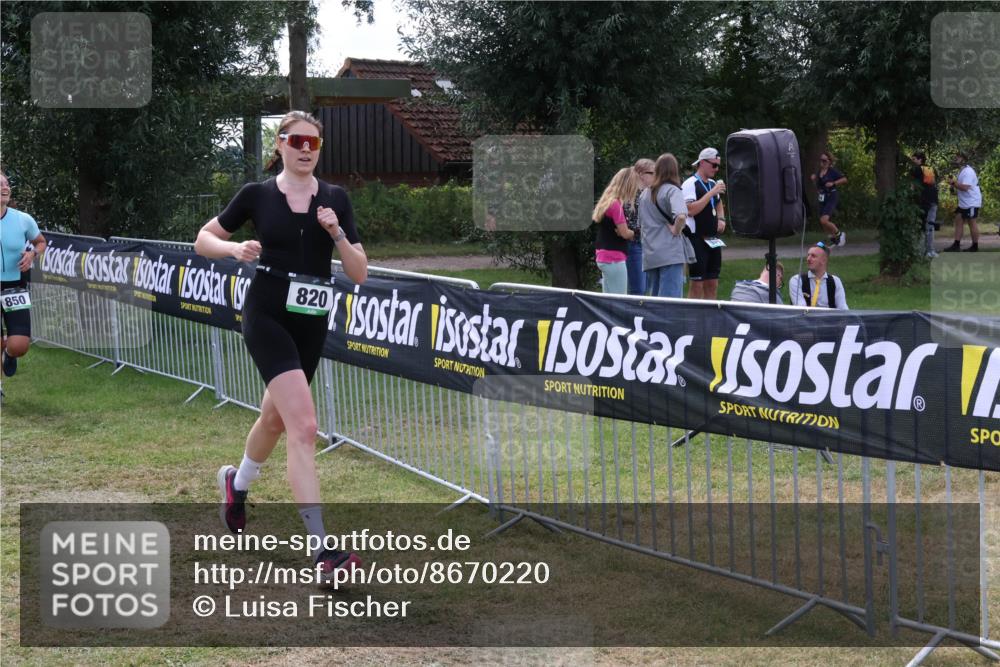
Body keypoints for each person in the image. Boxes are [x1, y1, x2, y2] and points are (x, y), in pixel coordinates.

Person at [194, 111, 368, 578]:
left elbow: (358, 271)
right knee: (305, 426)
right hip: (267, 314)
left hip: (310, 321)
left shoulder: (335, 199)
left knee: (274, 419)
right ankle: (323, 551)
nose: (306, 149)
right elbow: (203, 239)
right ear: (281, 144)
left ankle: (237, 483)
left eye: (314, 142)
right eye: (297, 141)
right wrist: (233, 249)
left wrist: (335, 233)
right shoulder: (257, 195)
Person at [1, 171, 47, 379]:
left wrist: (32, 254)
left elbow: (41, 242)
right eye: (0, 185)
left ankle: (8, 353)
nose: (5, 187)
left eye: (6, 184)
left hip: (15, 286)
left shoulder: (22, 219)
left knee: (19, 345)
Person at [638, 153, 689, 299]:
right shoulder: (672, 190)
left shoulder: (645, 194)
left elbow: (641, 223)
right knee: (670, 302)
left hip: (651, 253)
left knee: (655, 300)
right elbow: (680, 216)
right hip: (670, 253)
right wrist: (676, 229)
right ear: (674, 170)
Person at [682, 148, 728, 300]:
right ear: (702, 163)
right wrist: (711, 193)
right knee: (696, 285)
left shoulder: (713, 183)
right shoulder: (690, 184)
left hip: (712, 239)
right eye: (714, 165)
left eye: (718, 166)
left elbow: (719, 203)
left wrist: (721, 219)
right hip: (696, 239)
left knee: (712, 283)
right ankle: (691, 320)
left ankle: (709, 319)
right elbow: (690, 210)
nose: (716, 169)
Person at [592, 167, 638, 294]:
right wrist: (634, 232)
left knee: (608, 299)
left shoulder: (606, 202)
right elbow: (624, 233)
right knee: (619, 299)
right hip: (614, 258)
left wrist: (624, 231)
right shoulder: (616, 205)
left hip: (603, 255)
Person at [624, 158, 655, 295]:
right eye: (653, 173)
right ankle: (634, 316)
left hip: (646, 244)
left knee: (646, 287)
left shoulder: (648, 193)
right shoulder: (631, 194)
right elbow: (629, 223)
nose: (656, 177)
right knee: (638, 289)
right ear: (642, 174)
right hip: (634, 245)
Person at [788, 242, 848, 310]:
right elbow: (801, 309)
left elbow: (843, 309)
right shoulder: (797, 280)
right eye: (808, 255)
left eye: (813, 256)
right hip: (805, 320)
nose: (808, 259)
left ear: (823, 260)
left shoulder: (835, 281)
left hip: (829, 320)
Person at [943, 151, 983, 252]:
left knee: (971, 222)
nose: (955, 159)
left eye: (958, 157)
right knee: (958, 220)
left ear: (963, 159)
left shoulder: (968, 171)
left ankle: (975, 246)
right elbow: (960, 187)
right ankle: (956, 245)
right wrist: (953, 185)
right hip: (964, 203)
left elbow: (965, 187)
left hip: (971, 202)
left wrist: (954, 183)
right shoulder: (962, 170)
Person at [810, 152, 848, 247]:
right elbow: (818, 186)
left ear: (829, 162)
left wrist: (833, 183)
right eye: (820, 160)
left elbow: (844, 179)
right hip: (822, 198)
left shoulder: (832, 171)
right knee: (822, 223)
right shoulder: (819, 172)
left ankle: (840, 235)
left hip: (831, 196)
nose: (822, 163)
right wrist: (814, 179)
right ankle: (833, 238)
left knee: (824, 220)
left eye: (824, 161)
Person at [910, 152, 939, 258]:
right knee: (930, 226)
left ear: (920, 160)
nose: (912, 162)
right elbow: (933, 183)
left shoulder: (915, 170)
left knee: (921, 226)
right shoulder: (930, 169)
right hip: (933, 200)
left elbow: (912, 185)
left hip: (923, 200)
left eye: (914, 159)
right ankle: (930, 251)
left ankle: (921, 251)